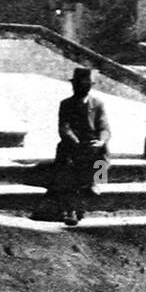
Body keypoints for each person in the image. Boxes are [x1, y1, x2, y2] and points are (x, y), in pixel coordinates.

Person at [51, 67, 111, 226]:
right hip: (73, 143)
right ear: (73, 85)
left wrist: (101, 141)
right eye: (78, 84)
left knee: (103, 153)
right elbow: (64, 127)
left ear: (91, 86)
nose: (82, 88)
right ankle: (69, 209)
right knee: (66, 167)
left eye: (86, 85)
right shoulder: (66, 104)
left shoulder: (97, 104)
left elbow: (104, 127)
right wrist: (75, 142)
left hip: (91, 142)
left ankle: (97, 181)